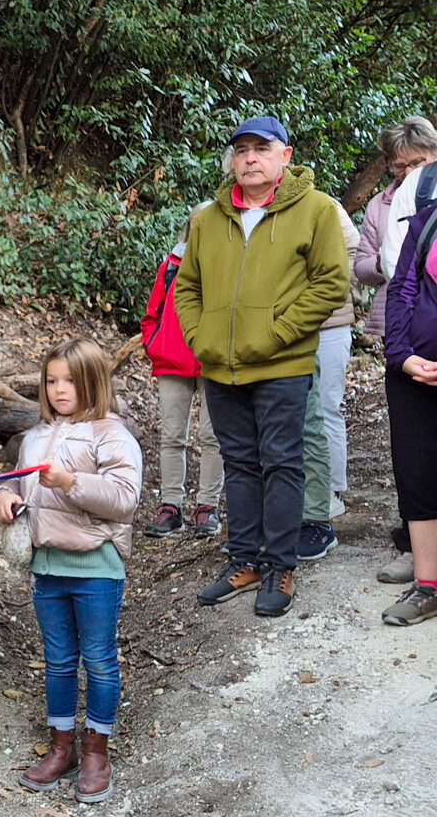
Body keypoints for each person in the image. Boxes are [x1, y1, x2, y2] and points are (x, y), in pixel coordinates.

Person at [176, 115, 349, 618]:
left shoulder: (315, 210)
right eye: (241, 149)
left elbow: (331, 283)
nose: (250, 157)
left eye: (261, 148)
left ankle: (280, 564)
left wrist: (275, 334)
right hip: (221, 368)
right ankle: (245, 559)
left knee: (281, 462)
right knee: (241, 464)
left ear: (285, 156)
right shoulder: (210, 217)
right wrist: (198, 336)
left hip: (282, 365)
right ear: (232, 159)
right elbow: (187, 287)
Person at [0, 339, 141, 803]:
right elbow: (15, 481)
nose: (60, 390)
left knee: (98, 658)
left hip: (97, 565)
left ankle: (97, 750)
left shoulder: (110, 434)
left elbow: (125, 498)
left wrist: (71, 482)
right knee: (58, 659)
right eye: (52, 380)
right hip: (48, 566)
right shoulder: (36, 435)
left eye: (71, 381)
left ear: (94, 381)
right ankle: (62, 747)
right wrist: (3, 496)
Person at [357, 116, 437, 584]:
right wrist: (402, 351)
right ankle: (418, 550)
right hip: (403, 328)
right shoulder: (390, 203)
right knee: (412, 455)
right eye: (398, 165)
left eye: (417, 162)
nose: (406, 172)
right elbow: (388, 267)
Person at [140, 207, 223, 539]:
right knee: (172, 437)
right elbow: (152, 315)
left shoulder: (229, 266)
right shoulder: (170, 267)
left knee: (212, 437)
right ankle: (171, 506)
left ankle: (208, 506)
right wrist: (154, 344)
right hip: (172, 360)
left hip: (214, 361)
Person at [380, 198, 437, 625]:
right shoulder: (428, 219)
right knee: (416, 473)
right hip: (414, 372)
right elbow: (402, 287)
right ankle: (427, 586)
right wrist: (399, 355)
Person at [297, 198, 359, 560]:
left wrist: (325, 286)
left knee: (326, 407)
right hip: (286, 330)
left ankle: (332, 494)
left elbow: (355, 251)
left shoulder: (325, 206)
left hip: (332, 324)